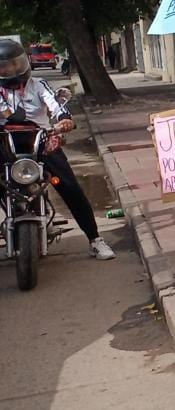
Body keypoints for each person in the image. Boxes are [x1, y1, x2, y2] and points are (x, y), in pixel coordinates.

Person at [0, 40, 115, 260]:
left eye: (14, 64)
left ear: (23, 63)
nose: (10, 70)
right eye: (4, 66)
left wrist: (64, 119)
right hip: (5, 142)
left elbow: (56, 105)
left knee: (70, 187)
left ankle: (95, 239)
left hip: (40, 139)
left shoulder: (38, 85)